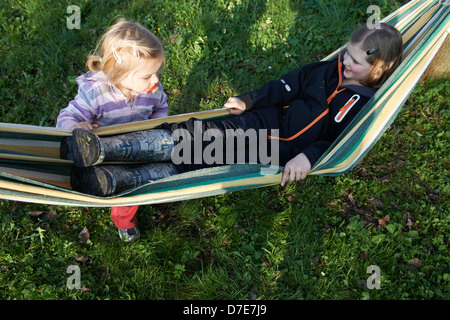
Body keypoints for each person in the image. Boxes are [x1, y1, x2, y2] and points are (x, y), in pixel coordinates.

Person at [62, 23, 403, 202]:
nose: (345, 61)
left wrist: (309, 159)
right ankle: (106, 150)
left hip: (277, 150)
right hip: (262, 122)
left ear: (381, 67)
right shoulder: (326, 71)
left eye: (355, 61)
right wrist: (250, 100)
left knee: (196, 163)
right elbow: (287, 85)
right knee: (196, 138)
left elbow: (338, 141)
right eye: (347, 53)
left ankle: (114, 178)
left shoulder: (362, 104)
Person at [57, 18, 169, 242]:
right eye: (147, 75)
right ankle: (122, 219)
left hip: (141, 146)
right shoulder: (96, 94)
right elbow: (66, 117)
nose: (156, 79)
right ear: (118, 75)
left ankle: (125, 215)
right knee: (124, 186)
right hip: (106, 151)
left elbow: (161, 107)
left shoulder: (152, 89)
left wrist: (157, 126)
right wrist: (77, 126)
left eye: (156, 72)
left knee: (138, 181)